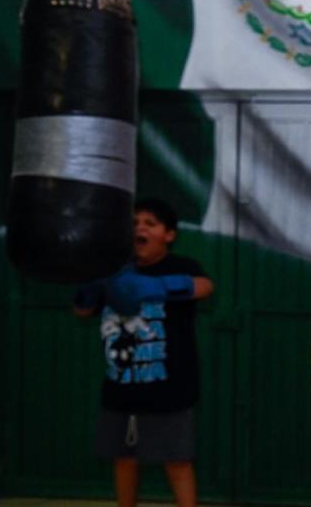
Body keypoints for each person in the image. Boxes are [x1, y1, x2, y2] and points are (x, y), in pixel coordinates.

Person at [74, 197, 214, 507]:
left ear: (169, 235)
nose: (140, 228)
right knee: (124, 459)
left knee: (177, 461)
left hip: (171, 391)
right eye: (134, 223)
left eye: (150, 224)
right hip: (121, 389)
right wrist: (91, 286)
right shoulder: (112, 270)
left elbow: (205, 287)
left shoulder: (181, 266)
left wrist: (155, 287)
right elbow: (81, 311)